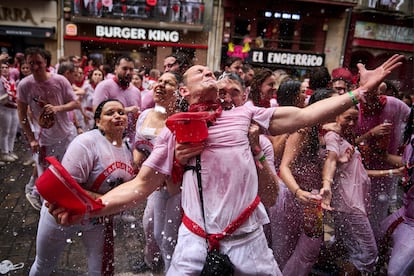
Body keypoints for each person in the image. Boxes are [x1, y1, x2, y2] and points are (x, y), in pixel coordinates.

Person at [51, 55, 405, 275]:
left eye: (211, 71)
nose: (210, 73)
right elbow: (142, 185)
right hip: (194, 237)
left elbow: (306, 114)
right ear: (185, 93)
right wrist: (89, 206)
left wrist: (360, 91)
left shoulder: (246, 115)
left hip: (248, 236)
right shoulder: (175, 133)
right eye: (200, 71)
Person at [29, 99, 136, 276]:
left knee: (100, 269)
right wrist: (109, 203)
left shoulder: (126, 148)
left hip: (95, 221)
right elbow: (65, 188)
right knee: (44, 265)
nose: (117, 115)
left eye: (121, 112)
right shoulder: (85, 143)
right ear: (98, 122)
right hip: (61, 214)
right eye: (110, 113)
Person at [321, 105, 404, 274]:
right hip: (348, 206)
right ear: (336, 117)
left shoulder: (341, 138)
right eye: (347, 118)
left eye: (354, 118)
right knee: (368, 254)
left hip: (348, 204)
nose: (351, 123)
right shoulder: (332, 137)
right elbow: (330, 160)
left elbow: (359, 172)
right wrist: (327, 184)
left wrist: (390, 172)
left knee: (349, 250)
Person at [275, 88, 336, 274]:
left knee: (322, 242)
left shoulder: (327, 132)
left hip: (316, 200)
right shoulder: (304, 130)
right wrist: (298, 192)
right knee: (286, 251)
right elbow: (284, 167)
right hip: (293, 197)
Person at [17, 47, 79, 210]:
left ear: (46, 63)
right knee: (46, 173)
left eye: (38, 62)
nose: (35, 67)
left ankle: (63, 199)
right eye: (31, 63)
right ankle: (38, 196)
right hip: (43, 138)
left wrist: (57, 108)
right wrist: (31, 139)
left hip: (67, 133)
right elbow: (21, 114)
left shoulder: (59, 80)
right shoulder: (24, 85)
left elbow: (75, 103)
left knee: (66, 169)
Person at [132, 72, 182, 273]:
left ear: (178, 92)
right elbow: (138, 145)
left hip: (174, 186)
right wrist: (137, 160)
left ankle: (171, 267)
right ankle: (152, 262)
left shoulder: (179, 121)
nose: (160, 85)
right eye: (159, 81)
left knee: (167, 236)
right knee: (148, 225)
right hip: (152, 183)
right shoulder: (145, 115)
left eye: (168, 83)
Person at [354, 79, 410, 238]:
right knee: (357, 211)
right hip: (358, 172)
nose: (378, 97)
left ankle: (375, 247)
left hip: (387, 171)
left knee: (379, 211)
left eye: (381, 93)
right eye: (374, 92)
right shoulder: (354, 110)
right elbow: (345, 143)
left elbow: (411, 122)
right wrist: (370, 134)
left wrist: (405, 148)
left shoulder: (394, 104)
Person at [378, 108, 414, 275]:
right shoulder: (412, 140)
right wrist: (383, 155)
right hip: (404, 215)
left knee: (396, 272)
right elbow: (405, 162)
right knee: (375, 243)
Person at [92, 55, 141, 147]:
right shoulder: (104, 86)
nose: (128, 72)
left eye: (131, 69)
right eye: (124, 68)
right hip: (106, 139)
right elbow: (97, 112)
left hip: (128, 142)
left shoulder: (136, 91)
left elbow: (136, 118)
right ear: (116, 68)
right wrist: (126, 110)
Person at [0, 61, 18, 164]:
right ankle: (4, 152)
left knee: (13, 131)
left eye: (6, 67)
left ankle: (10, 150)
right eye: (2, 67)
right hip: (4, 107)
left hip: (13, 107)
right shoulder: (0, 81)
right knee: (5, 131)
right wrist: (7, 96)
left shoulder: (11, 80)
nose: (5, 69)